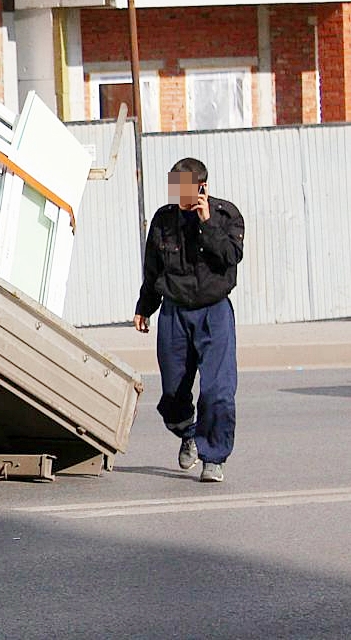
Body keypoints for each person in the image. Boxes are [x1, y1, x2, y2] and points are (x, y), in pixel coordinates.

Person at [133, 157, 245, 483]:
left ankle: (214, 458)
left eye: (185, 187)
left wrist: (207, 222)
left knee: (219, 391)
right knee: (172, 395)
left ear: (201, 187)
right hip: (174, 312)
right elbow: (153, 270)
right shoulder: (163, 220)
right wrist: (145, 307)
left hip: (214, 312)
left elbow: (230, 257)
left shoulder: (226, 216)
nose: (179, 194)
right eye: (175, 187)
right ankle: (188, 433)